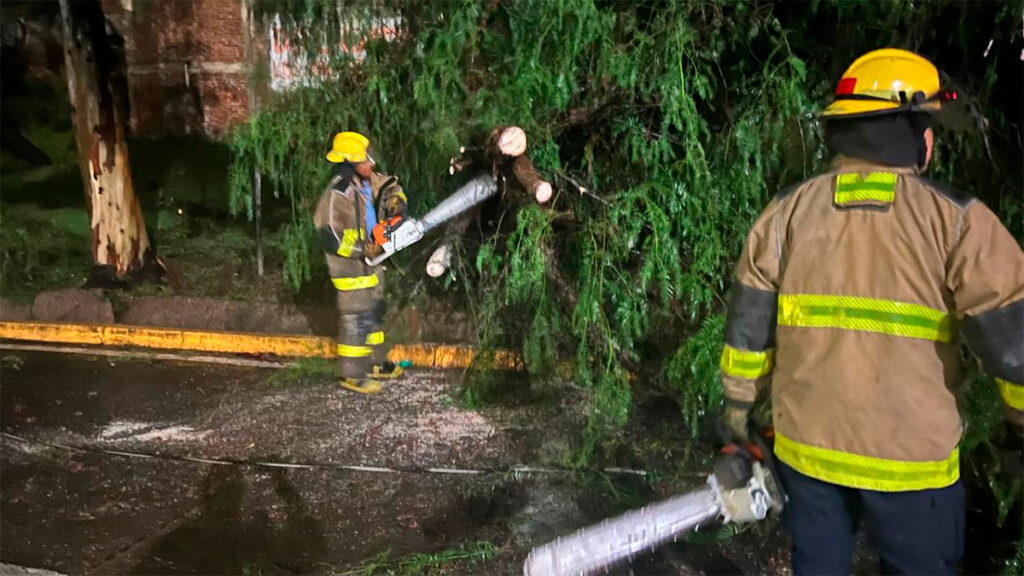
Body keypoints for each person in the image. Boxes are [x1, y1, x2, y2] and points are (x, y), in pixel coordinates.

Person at [717, 48, 1024, 575]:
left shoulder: (785, 214)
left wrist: (737, 417)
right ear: (917, 133)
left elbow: (748, 333)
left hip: (807, 456)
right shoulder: (959, 223)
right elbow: (1015, 350)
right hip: (913, 470)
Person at [314, 131, 408, 394]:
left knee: (374, 313)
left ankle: (376, 362)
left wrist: (396, 205)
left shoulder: (364, 182)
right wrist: (362, 249)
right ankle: (352, 373)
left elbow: (389, 186)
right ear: (350, 163)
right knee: (356, 318)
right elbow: (329, 234)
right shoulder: (338, 193)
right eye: (365, 159)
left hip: (372, 260)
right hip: (351, 267)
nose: (370, 163)